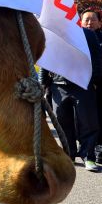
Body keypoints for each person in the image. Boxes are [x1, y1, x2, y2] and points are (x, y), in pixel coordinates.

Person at [39, 26, 102, 172]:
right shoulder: (54, 34)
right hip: (58, 86)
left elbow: (97, 58)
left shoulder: (88, 34)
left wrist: (96, 79)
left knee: (88, 122)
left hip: (84, 84)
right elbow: (45, 59)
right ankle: (69, 155)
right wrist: (43, 83)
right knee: (62, 122)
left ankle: (89, 157)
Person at [80, 9, 102, 164]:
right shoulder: (75, 39)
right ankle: (85, 149)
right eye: (86, 19)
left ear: (99, 22)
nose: (89, 23)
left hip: (99, 85)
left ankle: (98, 150)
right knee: (84, 120)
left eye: (93, 19)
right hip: (81, 85)